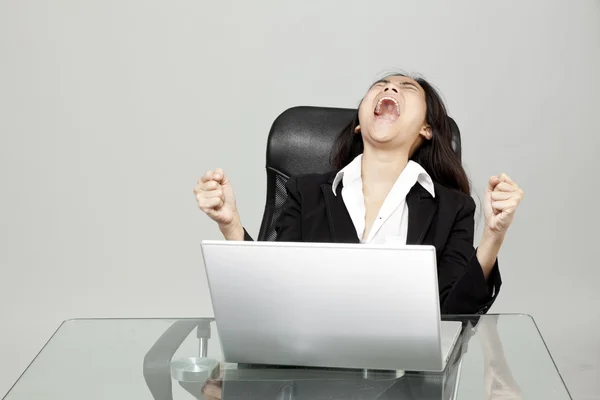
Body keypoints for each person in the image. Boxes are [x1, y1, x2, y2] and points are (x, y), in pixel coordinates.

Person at [194, 73, 524, 315]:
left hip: (406, 381)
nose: (391, 87)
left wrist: (493, 236)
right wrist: (231, 225)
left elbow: (454, 315)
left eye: (406, 88)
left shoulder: (452, 208)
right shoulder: (304, 192)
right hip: (311, 373)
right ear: (358, 123)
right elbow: (271, 296)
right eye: (381, 85)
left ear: (426, 129)